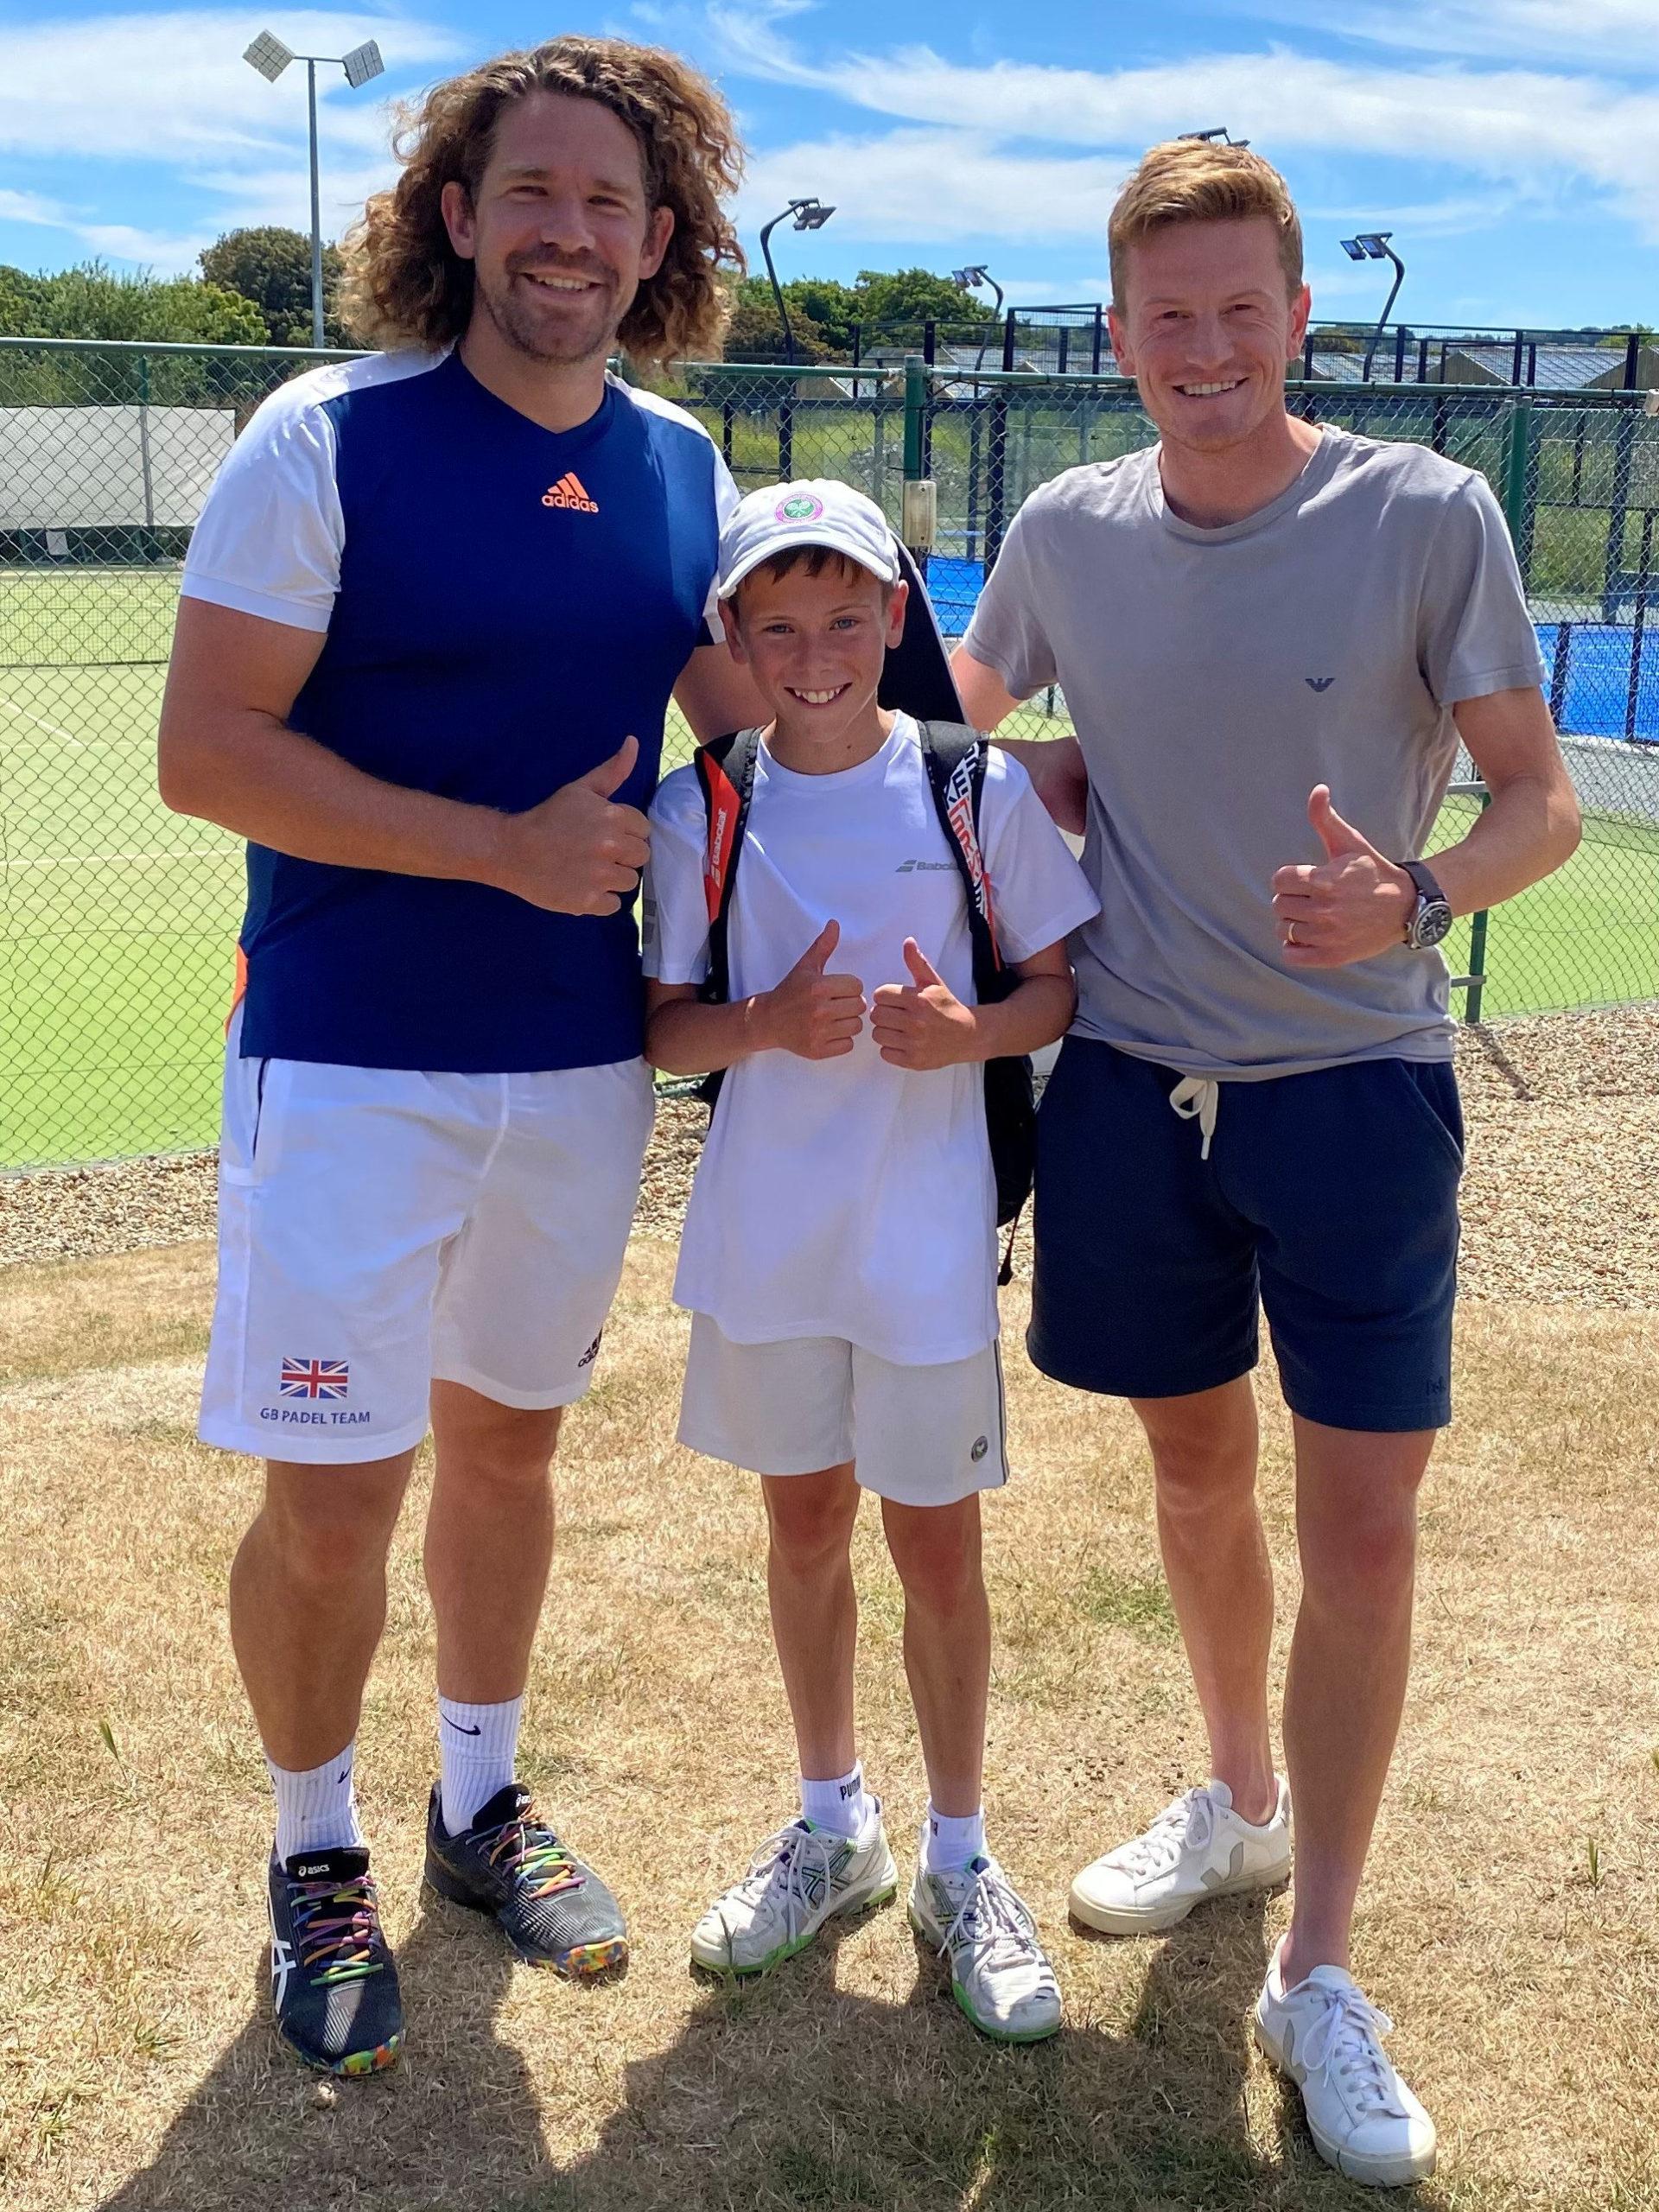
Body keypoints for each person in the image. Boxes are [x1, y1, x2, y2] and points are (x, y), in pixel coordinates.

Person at [954, 140, 1580, 2184]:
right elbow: (949, 737)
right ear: (1116, 331)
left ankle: (1317, 1964)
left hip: (1358, 1093)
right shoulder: (1063, 526)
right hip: (1134, 1085)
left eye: (1243, 312)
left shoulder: (1428, 512)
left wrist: (1416, 894)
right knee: (1191, 1465)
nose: (1205, 351)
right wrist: (1015, 766)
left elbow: (1540, 804)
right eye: (1167, 318)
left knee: (1367, 1528)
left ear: (1299, 318)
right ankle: (1234, 1799)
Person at [156, 37, 762, 2075]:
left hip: (577, 1069)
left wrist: (999, 778)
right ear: (456, 213)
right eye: (534, 194)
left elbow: (768, 705)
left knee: (512, 1443)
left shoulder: (686, 470)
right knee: (336, 1493)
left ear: (661, 238)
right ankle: (313, 1842)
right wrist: (498, 850)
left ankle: (477, 1795)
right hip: (348, 1059)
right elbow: (207, 751)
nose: (570, 232)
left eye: (611, 202)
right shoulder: (326, 434)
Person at [640, 480, 1100, 2041]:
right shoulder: (704, 806)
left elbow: (1055, 990)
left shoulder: (973, 791)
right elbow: (664, 1033)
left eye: (847, 620)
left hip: (923, 1255)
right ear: (735, 640)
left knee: (940, 1552)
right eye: (780, 626)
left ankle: (960, 1860)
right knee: (804, 1528)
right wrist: (766, 1027)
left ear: (895, 621)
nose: (817, 653)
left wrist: (971, 1030)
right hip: (772, 1251)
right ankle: (834, 1825)